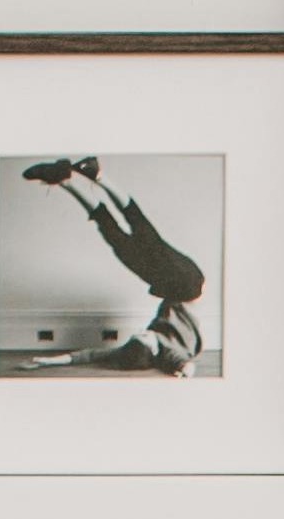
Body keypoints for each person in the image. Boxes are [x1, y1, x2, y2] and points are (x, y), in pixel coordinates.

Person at [15, 158, 207, 373]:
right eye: (144, 338)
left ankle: (64, 181)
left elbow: (90, 355)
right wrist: (184, 371)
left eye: (137, 337)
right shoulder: (171, 353)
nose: (141, 333)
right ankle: (97, 175)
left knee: (116, 240)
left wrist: (47, 361)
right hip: (188, 284)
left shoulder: (131, 351)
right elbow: (185, 364)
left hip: (167, 285)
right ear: (152, 350)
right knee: (146, 235)